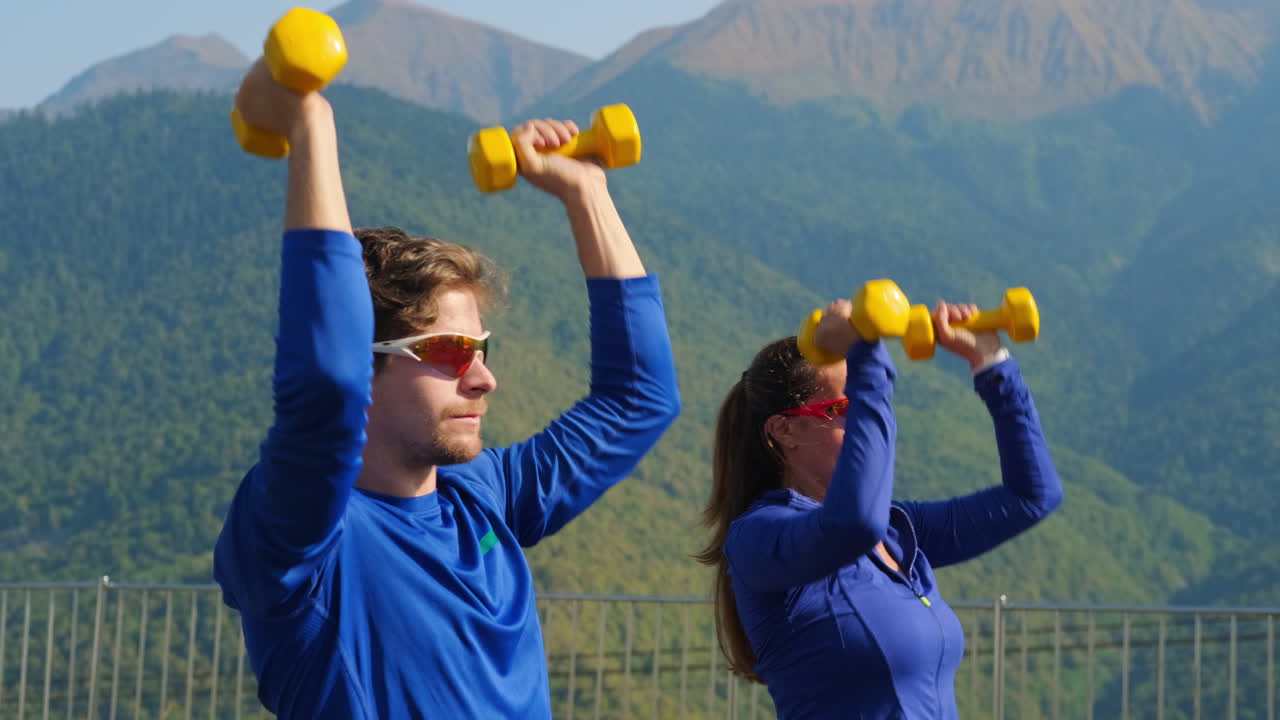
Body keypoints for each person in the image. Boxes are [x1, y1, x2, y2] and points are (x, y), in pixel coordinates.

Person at [212, 56, 681, 718]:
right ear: (365, 364)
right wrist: (309, 122)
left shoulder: (481, 495)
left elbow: (639, 400)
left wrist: (586, 193)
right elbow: (325, 390)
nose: (484, 378)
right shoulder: (301, 539)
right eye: (451, 352)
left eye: (480, 350)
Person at [698, 298, 1062, 719]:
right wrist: (866, 353)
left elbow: (1032, 496)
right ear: (785, 430)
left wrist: (990, 362)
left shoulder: (897, 532)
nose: (865, 421)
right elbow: (853, 524)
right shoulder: (757, 539)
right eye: (844, 408)